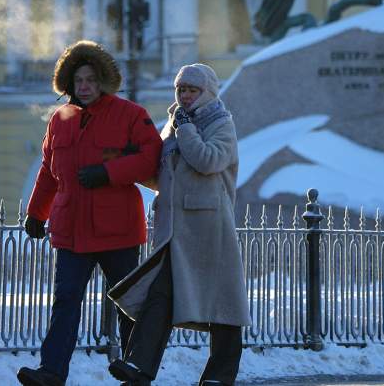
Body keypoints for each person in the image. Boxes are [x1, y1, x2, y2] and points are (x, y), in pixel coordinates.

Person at [17, 41, 163, 386]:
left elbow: (151, 158)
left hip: (117, 229)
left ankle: (137, 368)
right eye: (79, 80)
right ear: (68, 82)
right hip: (70, 229)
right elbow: (47, 170)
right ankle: (51, 371)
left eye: (91, 80)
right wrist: (37, 212)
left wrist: (107, 173)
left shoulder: (130, 114)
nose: (84, 87)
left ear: (104, 82)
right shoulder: (60, 119)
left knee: (128, 303)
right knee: (65, 301)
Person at [107, 64, 250, 386]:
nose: (185, 96)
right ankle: (139, 366)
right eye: (181, 90)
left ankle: (220, 374)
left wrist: (185, 130)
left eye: (192, 90)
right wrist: (134, 162)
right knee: (159, 296)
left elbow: (208, 160)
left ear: (207, 92)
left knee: (223, 302)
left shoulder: (221, 123)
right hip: (175, 230)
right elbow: (163, 175)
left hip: (209, 228)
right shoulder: (174, 125)